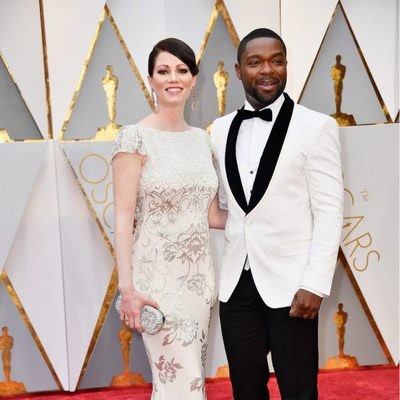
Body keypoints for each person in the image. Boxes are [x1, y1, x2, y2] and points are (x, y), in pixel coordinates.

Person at [211, 28, 343, 400]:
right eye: (255, 63)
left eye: (277, 61)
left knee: (298, 389)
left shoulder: (316, 127)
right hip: (236, 284)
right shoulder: (219, 131)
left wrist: (315, 283)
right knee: (246, 388)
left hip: (294, 286)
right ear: (238, 71)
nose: (267, 70)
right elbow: (228, 207)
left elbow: (330, 211)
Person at [112, 38, 227, 399]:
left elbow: (210, 215)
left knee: (189, 380)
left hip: (200, 283)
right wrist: (127, 289)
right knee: (183, 382)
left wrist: (269, 213)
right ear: (151, 79)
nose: (172, 78)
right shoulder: (134, 138)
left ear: (194, 79)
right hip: (156, 284)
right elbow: (122, 219)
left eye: (181, 70)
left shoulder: (201, 141)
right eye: (163, 71)